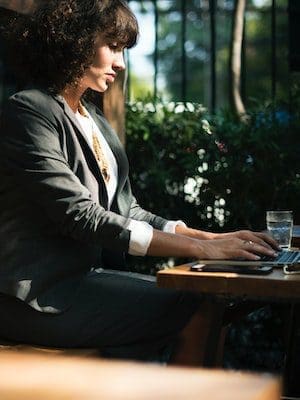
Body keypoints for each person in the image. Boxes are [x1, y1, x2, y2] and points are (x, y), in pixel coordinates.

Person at [0, 0, 278, 364]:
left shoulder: (92, 118)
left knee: (207, 300)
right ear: (76, 40)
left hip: (82, 283)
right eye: (112, 47)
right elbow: (81, 216)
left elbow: (126, 210)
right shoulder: (30, 111)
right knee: (195, 308)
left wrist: (211, 239)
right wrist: (203, 251)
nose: (121, 62)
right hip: (37, 299)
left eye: (123, 50)